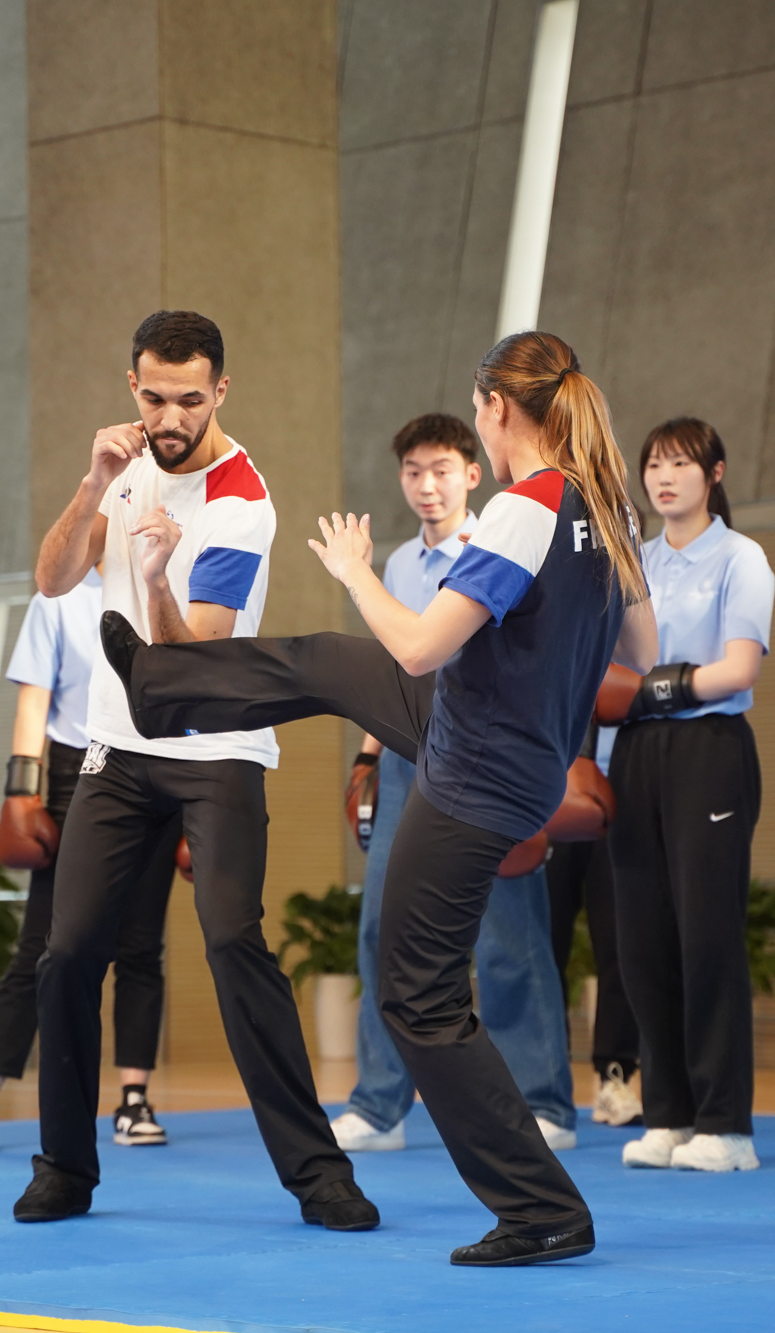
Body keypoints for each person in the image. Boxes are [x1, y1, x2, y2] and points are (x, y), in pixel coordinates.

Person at [101, 330, 658, 1266]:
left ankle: (541, 1207)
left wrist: (355, 568)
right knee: (324, 661)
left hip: (475, 767)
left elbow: (419, 645)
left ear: (496, 410)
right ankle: (162, 688)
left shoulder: (524, 509)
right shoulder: (605, 506)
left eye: (477, 412)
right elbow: (642, 647)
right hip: (496, 734)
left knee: (416, 995)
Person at [13, 310, 377, 1232]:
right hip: (118, 749)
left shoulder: (241, 498)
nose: (168, 417)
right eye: (153, 397)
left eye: (187, 399)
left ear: (220, 391)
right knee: (66, 952)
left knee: (231, 944)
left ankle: (319, 1174)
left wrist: (156, 580)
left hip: (217, 748)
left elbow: (200, 658)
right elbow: (52, 581)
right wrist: (93, 486)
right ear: (132, 387)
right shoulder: (125, 463)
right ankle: (65, 1165)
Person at [330, 413, 578, 1154]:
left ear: (472, 473)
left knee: (507, 932)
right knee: (382, 926)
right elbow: (391, 667)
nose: (427, 484)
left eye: (441, 469)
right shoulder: (400, 562)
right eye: (413, 471)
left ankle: (543, 1102)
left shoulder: (505, 539)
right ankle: (380, 1105)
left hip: (483, 758)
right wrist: (367, 758)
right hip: (407, 755)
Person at [0, 572, 180, 1153]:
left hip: (159, 765)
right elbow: (34, 699)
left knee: (141, 944)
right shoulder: (58, 599)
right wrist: (20, 793)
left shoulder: (165, 584)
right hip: (79, 769)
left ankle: (133, 1098)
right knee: (42, 943)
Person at [603, 418, 774, 1174]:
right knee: (640, 940)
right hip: (635, 751)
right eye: (654, 465)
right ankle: (669, 1113)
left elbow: (738, 669)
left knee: (707, 936)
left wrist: (654, 688)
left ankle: (726, 1124)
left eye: (680, 463)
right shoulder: (632, 562)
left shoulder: (741, 558)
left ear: (715, 473)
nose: (664, 477)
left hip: (709, 748)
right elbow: (602, 669)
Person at [545, 720, 642, 1127]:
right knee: (543, 948)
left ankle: (614, 1075)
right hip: (547, 790)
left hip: (617, 790)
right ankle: (543, 1081)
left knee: (621, 945)